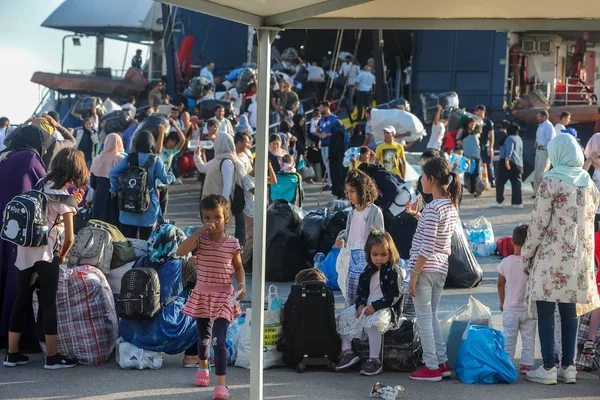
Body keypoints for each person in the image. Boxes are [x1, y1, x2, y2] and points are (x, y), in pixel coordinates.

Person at [522, 134, 600, 385]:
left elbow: (538, 223)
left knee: (545, 308)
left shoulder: (552, 180)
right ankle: (568, 366)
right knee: (570, 310)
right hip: (580, 258)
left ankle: (547, 367)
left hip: (552, 256)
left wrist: (526, 254)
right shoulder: (588, 181)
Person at [4, 148, 87, 370]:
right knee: (48, 303)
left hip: (25, 250)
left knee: (20, 301)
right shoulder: (64, 197)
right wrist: (62, 256)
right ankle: (52, 357)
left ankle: (11, 355)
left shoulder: (41, 183)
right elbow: (69, 237)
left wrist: (73, 201)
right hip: (47, 254)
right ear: (75, 170)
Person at [177, 195, 246, 400]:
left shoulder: (232, 243)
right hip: (202, 294)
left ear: (227, 218)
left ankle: (221, 386)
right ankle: (203, 366)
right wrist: (198, 233)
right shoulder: (201, 240)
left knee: (219, 340)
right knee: (204, 337)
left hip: (224, 296)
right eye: (206, 218)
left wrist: (241, 285)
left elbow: (239, 267)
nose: (212, 222)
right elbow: (181, 250)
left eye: (217, 217)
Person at [405, 157, 460, 382]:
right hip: (441, 268)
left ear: (431, 179)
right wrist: (418, 215)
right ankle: (442, 363)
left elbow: (426, 247)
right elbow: (436, 236)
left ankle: (431, 367)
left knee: (424, 319)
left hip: (425, 270)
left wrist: (413, 276)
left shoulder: (432, 209)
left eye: (422, 176)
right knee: (432, 317)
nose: (420, 180)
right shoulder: (450, 205)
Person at [0, 126, 55, 345]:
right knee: (19, 281)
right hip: (19, 229)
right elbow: (47, 187)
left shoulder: (6, 156)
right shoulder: (30, 158)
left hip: (4, 225)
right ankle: (20, 337)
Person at [335, 231, 402, 376]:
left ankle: (374, 360)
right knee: (343, 317)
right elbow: (362, 291)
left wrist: (375, 306)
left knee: (373, 323)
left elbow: (394, 295)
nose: (379, 258)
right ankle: (347, 351)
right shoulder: (367, 271)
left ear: (390, 253)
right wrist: (360, 304)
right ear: (369, 254)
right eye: (375, 254)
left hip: (385, 307)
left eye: (383, 255)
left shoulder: (393, 271)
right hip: (367, 305)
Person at [109, 131, 175, 240]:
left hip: (128, 206)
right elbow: (165, 179)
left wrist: (117, 189)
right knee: (146, 242)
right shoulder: (155, 160)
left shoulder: (129, 159)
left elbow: (112, 173)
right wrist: (172, 177)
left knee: (129, 242)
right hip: (148, 208)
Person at [335, 169, 384, 305]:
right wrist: (341, 238)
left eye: (352, 191)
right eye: (347, 192)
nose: (349, 195)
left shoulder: (374, 211)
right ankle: (349, 314)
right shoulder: (352, 213)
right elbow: (348, 232)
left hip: (365, 256)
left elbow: (380, 235)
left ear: (362, 190)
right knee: (348, 289)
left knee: (363, 289)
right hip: (349, 255)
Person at [497, 224, 535, 374]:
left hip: (510, 309)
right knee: (528, 339)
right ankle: (526, 365)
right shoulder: (531, 264)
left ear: (512, 241)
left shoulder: (505, 262)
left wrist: (502, 301)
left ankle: (507, 363)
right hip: (528, 309)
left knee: (509, 338)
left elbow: (500, 284)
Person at [241, 162, 277, 269]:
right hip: (250, 212)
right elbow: (256, 191)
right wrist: (262, 179)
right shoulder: (247, 179)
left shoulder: (261, 177)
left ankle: (251, 260)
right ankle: (243, 262)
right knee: (251, 238)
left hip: (261, 211)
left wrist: (270, 168)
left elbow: (274, 181)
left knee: (259, 237)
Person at [193, 133, 246, 207]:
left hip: (221, 206)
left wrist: (223, 205)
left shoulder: (227, 162)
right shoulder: (218, 159)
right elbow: (202, 168)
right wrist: (197, 155)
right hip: (214, 204)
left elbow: (227, 186)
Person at [89, 133, 125, 226]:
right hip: (114, 195)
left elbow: (92, 182)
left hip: (99, 194)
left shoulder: (97, 158)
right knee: (112, 223)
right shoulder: (120, 159)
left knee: (98, 223)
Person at [490, 123, 523, 209]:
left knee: (500, 181)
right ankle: (517, 203)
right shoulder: (519, 139)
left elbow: (509, 150)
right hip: (518, 164)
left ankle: (499, 201)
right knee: (516, 183)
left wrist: (506, 162)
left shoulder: (509, 138)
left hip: (508, 162)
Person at [158, 119, 186, 218]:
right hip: (155, 184)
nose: (173, 144)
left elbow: (183, 140)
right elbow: (158, 148)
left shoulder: (173, 151)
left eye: (175, 142)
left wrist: (174, 125)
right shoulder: (159, 149)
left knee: (163, 209)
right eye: (171, 140)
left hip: (164, 184)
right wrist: (162, 132)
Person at [533, 110, 556, 195]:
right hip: (538, 151)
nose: (537, 118)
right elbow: (538, 137)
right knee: (536, 173)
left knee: (542, 173)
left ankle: (546, 192)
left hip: (545, 151)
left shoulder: (549, 127)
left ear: (545, 117)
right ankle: (537, 193)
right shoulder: (540, 126)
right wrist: (536, 142)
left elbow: (551, 139)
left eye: (539, 116)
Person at [318, 101, 338, 189]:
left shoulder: (334, 118)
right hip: (323, 144)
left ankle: (331, 183)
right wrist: (320, 135)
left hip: (331, 144)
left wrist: (328, 134)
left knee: (330, 164)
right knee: (325, 164)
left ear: (326, 107)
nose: (320, 110)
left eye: (321, 108)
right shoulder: (321, 119)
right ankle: (329, 182)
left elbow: (337, 131)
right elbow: (316, 130)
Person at [474, 105, 495, 188]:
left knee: (488, 164)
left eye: (477, 110)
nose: (475, 112)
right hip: (476, 145)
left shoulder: (488, 122)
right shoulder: (475, 121)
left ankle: (492, 181)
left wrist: (491, 147)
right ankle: (477, 181)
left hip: (485, 145)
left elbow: (491, 135)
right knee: (476, 163)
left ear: (482, 111)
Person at [460, 118, 482, 197]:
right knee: (469, 173)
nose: (473, 126)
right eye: (472, 124)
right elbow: (458, 141)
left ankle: (473, 190)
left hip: (476, 155)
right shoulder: (463, 132)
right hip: (468, 156)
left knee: (475, 174)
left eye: (474, 124)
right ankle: (471, 190)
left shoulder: (476, 132)